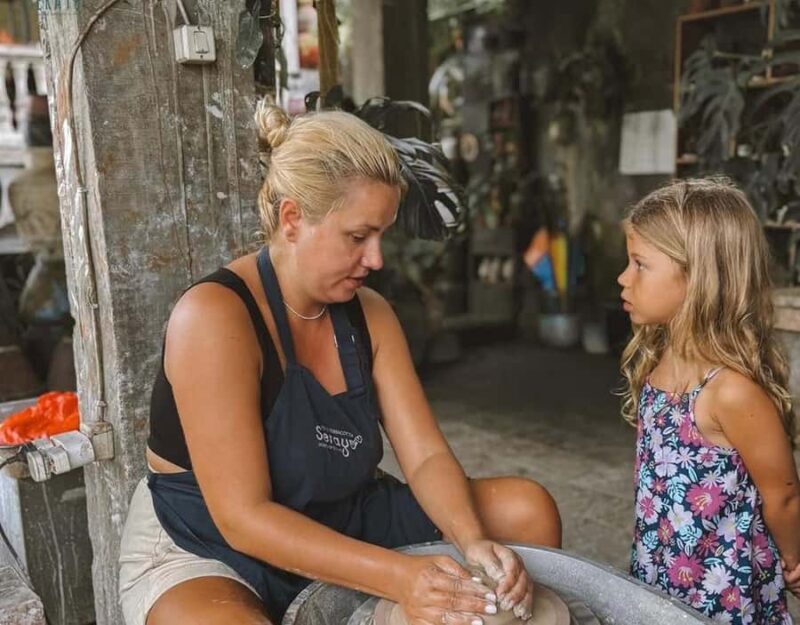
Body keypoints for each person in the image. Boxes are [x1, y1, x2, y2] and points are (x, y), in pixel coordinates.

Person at [118, 100, 561, 625]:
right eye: (358, 237)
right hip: (208, 542)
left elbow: (423, 457)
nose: (376, 259)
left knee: (527, 512)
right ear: (292, 220)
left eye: (381, 236)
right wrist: (403, 578)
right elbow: (244, 519)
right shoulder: (215, 317)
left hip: (341, 514)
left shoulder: (369, 315)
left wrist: (473, 541)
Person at [618, 178, 800, 625]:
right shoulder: (657, 364)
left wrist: (795, 562)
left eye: (640, 264)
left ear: (699, 277)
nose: (623, 278)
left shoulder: (731, 392)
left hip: (723, 595)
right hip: (659, 575)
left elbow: (784, 496)